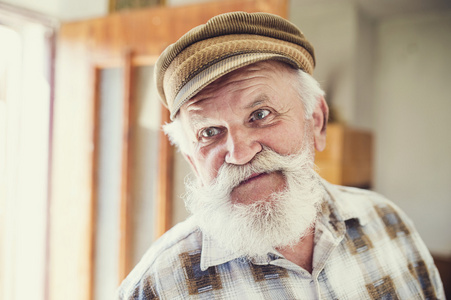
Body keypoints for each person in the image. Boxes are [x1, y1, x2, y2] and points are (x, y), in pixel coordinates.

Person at [118, 12, 444, 299]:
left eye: (261, 114)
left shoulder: (389, 224)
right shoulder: (158, 287)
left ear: (315, 121)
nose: (240, 153)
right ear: (192, 161)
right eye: (209, 132)